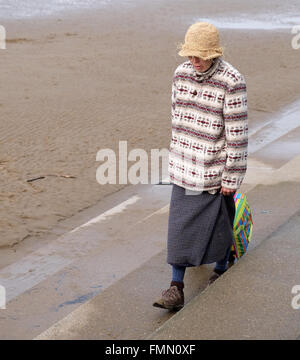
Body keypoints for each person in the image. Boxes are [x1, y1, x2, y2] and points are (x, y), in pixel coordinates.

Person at [153, 22, 248, 311]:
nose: (193, 61)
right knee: (179, 227)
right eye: (190, 55)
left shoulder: (232, 80)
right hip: (184, 163)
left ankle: (221, 266)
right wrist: (175, 156)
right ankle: (175, 287)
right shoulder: (181, 74)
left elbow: (238, 135)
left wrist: (232, 176)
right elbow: (175, 117)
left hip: (214, 169)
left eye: (199, 56)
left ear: (214, 53)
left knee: (217, 225)